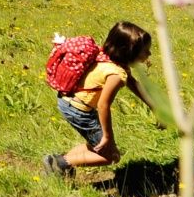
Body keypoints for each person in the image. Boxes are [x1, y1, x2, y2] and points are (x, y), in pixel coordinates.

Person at [46, 21, 159, 177]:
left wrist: (155, 107)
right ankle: (60, 164)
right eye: (145, 51)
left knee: (97, 146)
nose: (149, 54)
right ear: (129, 52)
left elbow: (133, 84)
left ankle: (59, 163)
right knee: (111, 156)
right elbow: (103, 105)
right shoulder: (116, 75)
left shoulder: (109, 58)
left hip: (71, 102)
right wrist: (107, 136)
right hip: (78, 110)